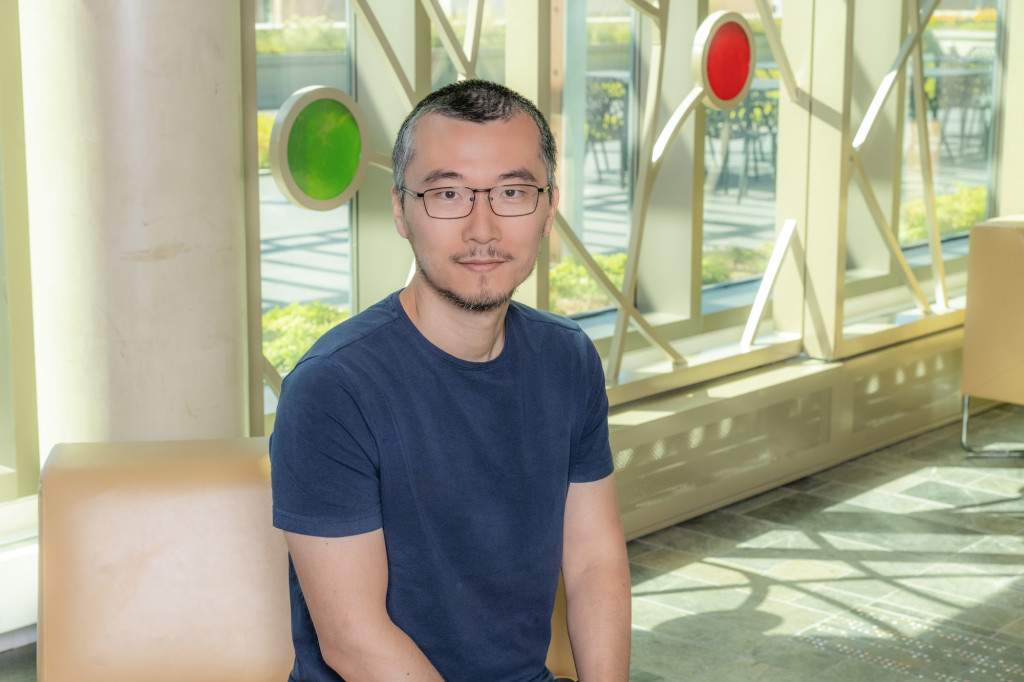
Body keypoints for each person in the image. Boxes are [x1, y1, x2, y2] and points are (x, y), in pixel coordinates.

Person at [270, 79, 630, 682]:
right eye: (448, 194)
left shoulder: (567, 359)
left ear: (548, 207)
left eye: (512, 192)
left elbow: (594, 561)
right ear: (400, 211)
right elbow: (354, 640)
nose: (483, 229)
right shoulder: (333, 388)